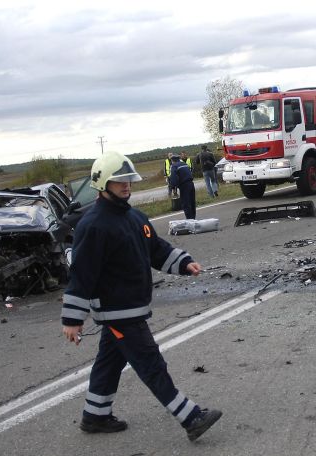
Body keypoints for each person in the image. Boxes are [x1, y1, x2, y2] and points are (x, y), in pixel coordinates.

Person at [60, 151, 222, 442]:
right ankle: (191, 418)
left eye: (128, 180)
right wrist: (73, 319)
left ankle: (95, 416)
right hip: (118, 311)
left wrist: (184, 263)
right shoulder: (93, 225)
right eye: (119, 181)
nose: (126, 186)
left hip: (130, 307)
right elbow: (81, 275)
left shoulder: (134, 217)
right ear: (102, 184)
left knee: (109, 362)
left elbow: (156, 249)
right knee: (151, 363)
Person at [170, 154, 197, 219]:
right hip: (191, 184)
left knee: (186, 203)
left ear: (172, 160)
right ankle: (193, 218)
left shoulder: (174, 166)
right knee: (192, 202)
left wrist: (173, 187)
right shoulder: (184, 164)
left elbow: (174, 178)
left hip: (184, 186)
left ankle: (189, 220)